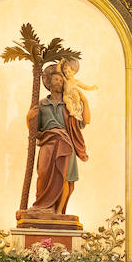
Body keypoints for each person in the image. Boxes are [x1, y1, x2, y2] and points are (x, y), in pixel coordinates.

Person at [28, 58, 90, 214]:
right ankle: (42, 207)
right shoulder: (41, 104)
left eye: (61, 79)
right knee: (43, 173)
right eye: (55, 79)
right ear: (49, 82)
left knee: (64, 178)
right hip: (48, 142)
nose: (58, 82)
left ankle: (58, 213)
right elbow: (35, 132)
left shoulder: (70, 104)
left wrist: (84, 100)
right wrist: (29, 118)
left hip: (66, 144)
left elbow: (84, 122)